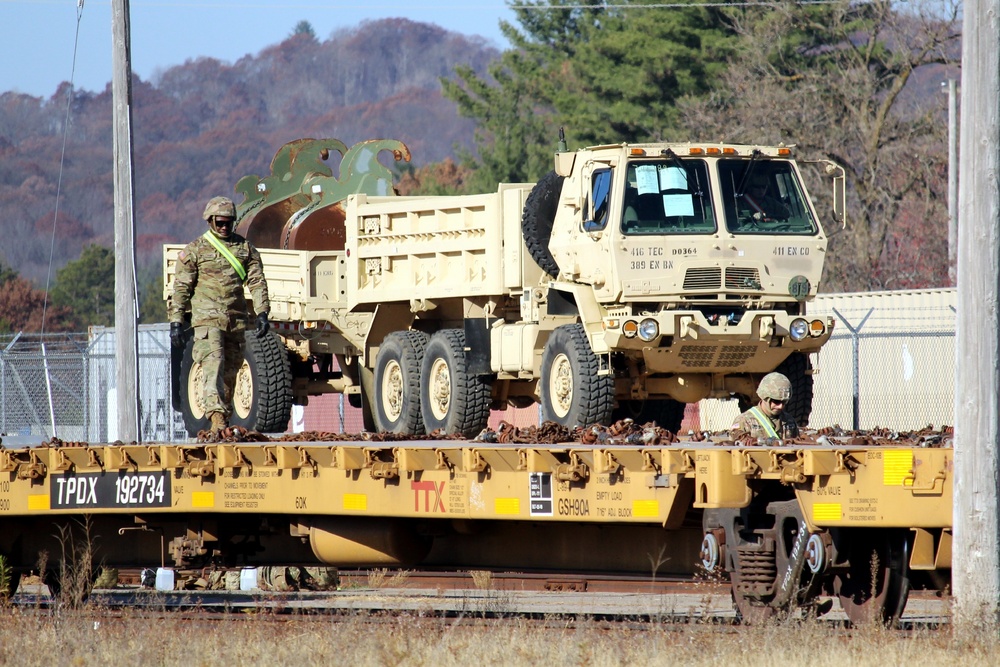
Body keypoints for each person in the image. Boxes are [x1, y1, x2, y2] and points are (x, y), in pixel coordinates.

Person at [169, 196, 270, 435]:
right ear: (210, 221)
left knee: (232, 370)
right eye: (220, 223)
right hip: (206, 320)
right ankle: (217, 420)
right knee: (213, 365)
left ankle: (221, 418)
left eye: (228, 223)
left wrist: (263, 312)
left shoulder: (245, 249)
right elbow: (181, 288)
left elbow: (257, 282)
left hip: (235, 320)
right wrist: (176, 321)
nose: (224, 227)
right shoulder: (195, 251)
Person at [730, 372, 799, 443]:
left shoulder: (789, 421)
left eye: (784, 402)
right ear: (764, 397)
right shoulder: (744, 421)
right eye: (776, 401)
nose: (780, 406)